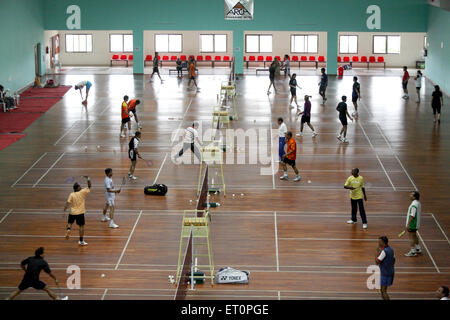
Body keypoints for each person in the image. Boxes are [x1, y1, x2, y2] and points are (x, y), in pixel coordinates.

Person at [63, 176, 92, 246]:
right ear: (77, 188)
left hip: (72, 212)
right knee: (81, 226)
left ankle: (68, 229)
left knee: (69, 222)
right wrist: (88, 179)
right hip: (80, 213)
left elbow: (68, 203)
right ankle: (81, 241)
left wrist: (64, 209)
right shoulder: (82, 192)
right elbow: (89, 186)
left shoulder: (71, 194)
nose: (81, 187)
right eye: (80, 186)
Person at [375, 236, 395, 300]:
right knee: (383, 290)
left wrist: (377, 252)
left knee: (383, 291)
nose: (378, 243)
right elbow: (394, 260)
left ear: (383, 242)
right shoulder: (391, 249)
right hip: (391, 272)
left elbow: (377, 262)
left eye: (379, 242)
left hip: (385, 273)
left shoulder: (384, 251)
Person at [404, 191, 422, 257]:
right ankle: (418, 248)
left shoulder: (414, 205)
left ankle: (413, 251)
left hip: (412, 224)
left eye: (411, 195)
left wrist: (408, 224)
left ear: (414, 197)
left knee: (411, 237)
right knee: (414, 236)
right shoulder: (418, 203)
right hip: (416, 223)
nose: (410, 195)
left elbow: (412, 215)